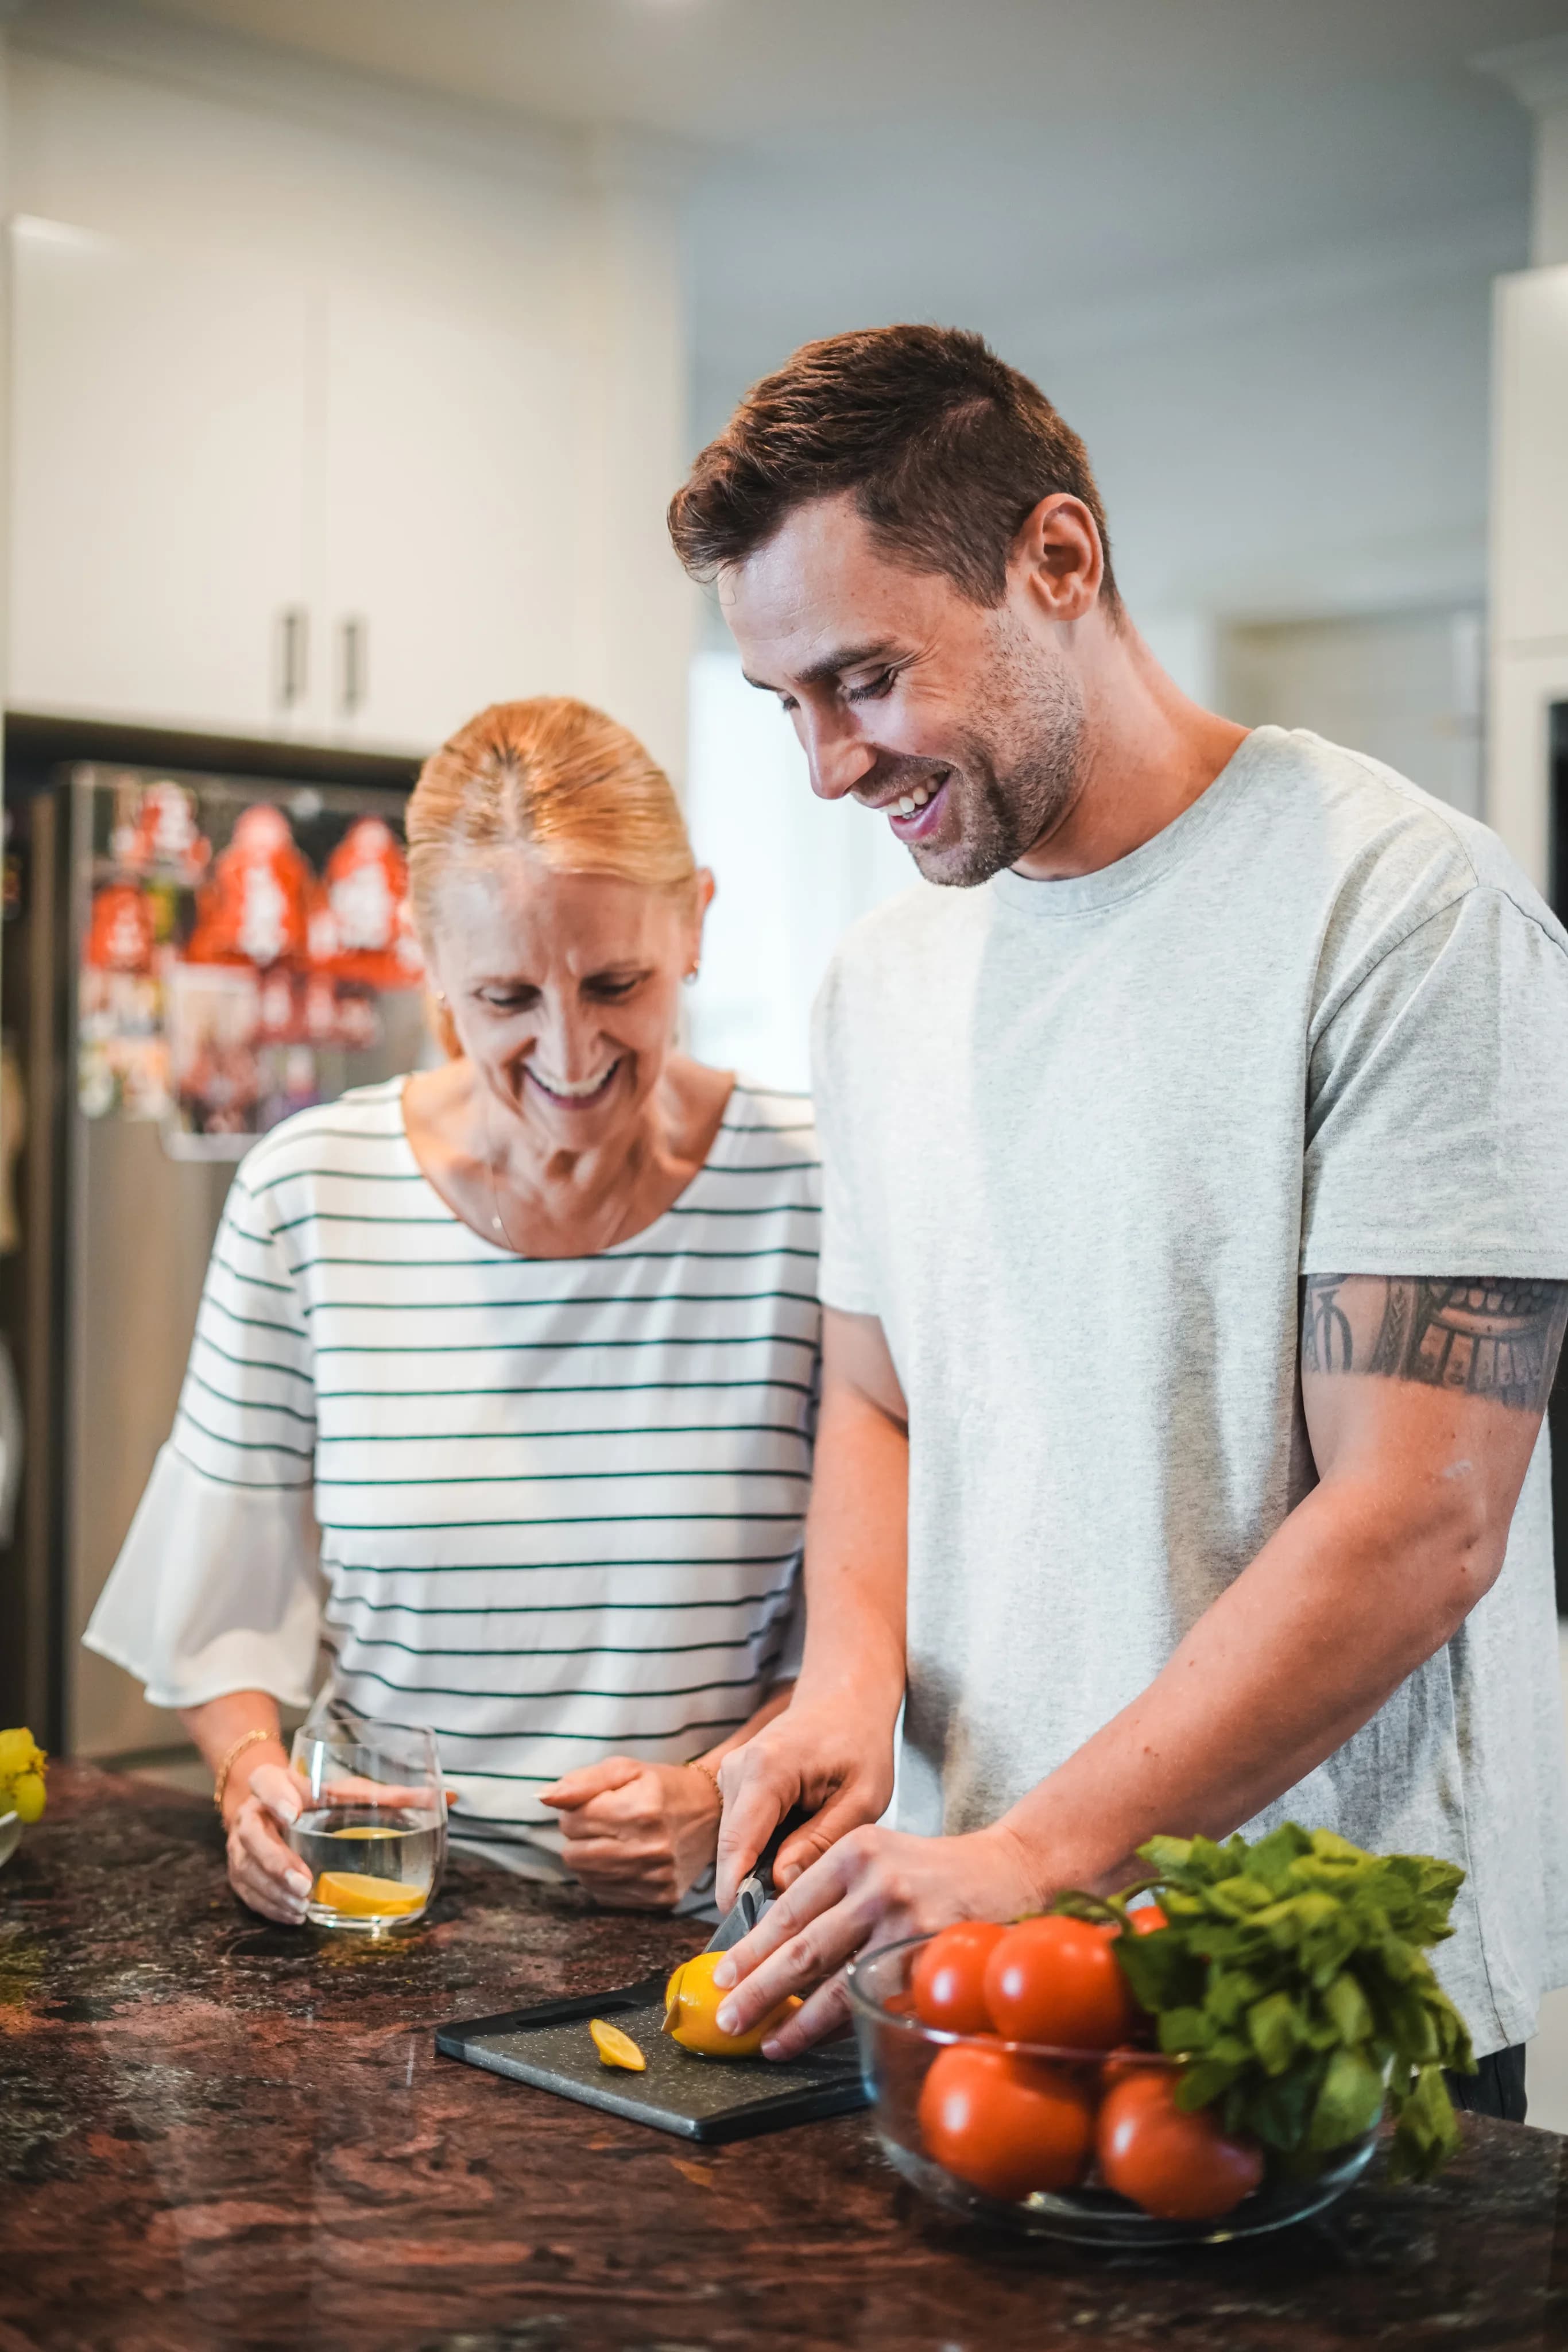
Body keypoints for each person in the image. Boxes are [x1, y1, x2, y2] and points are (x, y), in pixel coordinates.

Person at [662, 323, 1568, 2121]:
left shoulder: (1401, 911)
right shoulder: (880, 976)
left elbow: (1420, 1519)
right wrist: (846, 1685)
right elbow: (879, 1390)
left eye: (862, 679)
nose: (828, 769)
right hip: (968, 1951)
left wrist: (1040, 1849)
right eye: (785, 707)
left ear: (1056, 561)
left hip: (1308, 1969)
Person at [85, 697, 819, 1922]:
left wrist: (713, 1788)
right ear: (428, 967)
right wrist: (252, 1782)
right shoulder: (305, 1196)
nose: (570, 1049)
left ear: (695, 922)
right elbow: (215, 1607)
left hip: (717, 1940)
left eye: (614, 982)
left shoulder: (815, 1191)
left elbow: (881, 1636)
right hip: (386, 1912)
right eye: (506, 997)